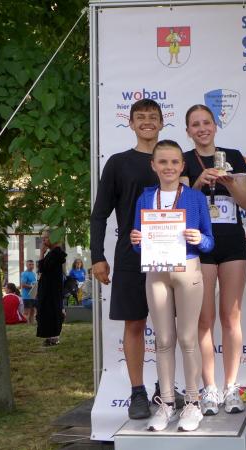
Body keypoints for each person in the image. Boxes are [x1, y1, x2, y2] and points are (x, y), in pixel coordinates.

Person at [130, 140, 215, 432]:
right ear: (153, 165)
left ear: (182, 166)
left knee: (188, 338)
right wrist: (136, 240)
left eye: (174, 162)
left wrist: (199, 239)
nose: (169, 167)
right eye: (163, 162)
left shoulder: (195, 197)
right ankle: (166, 403)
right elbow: (138, 244)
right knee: (163, 339)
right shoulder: (145, 198)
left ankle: (192, 403)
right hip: (156, 272)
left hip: (188, 268)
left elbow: (209, 241)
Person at [90, 98, 163, 419]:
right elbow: (99, 214)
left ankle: (166, 387)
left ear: (162, 123)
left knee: (170, 326)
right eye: (140, 117)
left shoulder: (174, 158)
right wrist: (97, 256)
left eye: (153, 117)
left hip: (171, 255)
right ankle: (137, 392)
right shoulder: (118, 163)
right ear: (131, 123)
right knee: (135, 323)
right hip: (132, 255)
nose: (147, 122)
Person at [183, 104, 246, 416]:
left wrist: (229, 182)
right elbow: (180, 207)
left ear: (215, 126)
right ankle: (209, 387)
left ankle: (232, 386)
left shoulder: (233, 156)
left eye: (206, 123)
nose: (202, 129)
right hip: (201, 245)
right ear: (188, 131)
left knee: (231, 317)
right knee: (204, 319)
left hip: (233, 242)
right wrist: (199, 182)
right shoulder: (185, 160)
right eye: (195, 124)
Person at [36, 230, 66, 346]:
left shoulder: (56, 253)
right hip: (48, 289)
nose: (43, 240)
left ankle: (53, 337)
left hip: (52, 290)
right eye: (42, 238)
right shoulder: (52, 253)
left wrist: (41, 253)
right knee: (47, 312)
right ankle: (50, 336)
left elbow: (42, 268)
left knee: (52, 312)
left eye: (46, 238)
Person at [20, 259, 37, 324]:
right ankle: (25, 324)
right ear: (26, 265)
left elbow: (34, 284)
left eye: (32, 264)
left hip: (33, 295)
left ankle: (31, 324)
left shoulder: (33, 274)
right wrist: (32, 287)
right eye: (30, 264)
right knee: (27, 312)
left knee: (32, 311)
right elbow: (23, 285)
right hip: (26, 296)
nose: (31, 266)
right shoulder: (24, 274)